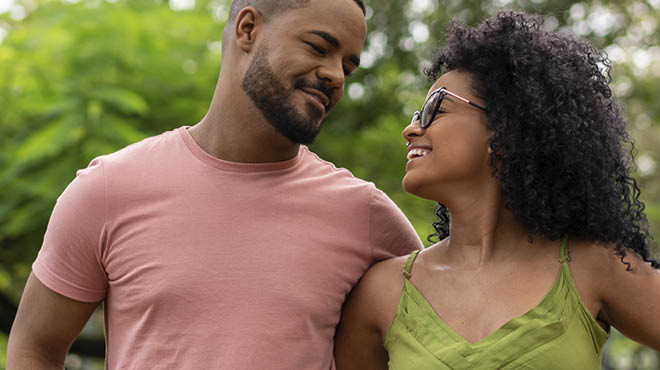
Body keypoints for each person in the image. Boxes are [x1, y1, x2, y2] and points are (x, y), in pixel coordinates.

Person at [7, 1, 423, 369]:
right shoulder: (108, 188)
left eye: (348, 66)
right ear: (247, 28)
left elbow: (450, 329)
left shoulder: (365, 214)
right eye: (318, 47)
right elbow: (35, 350)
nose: (335, 75)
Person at [334, 11, 660, 370]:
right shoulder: (382, 293)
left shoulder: (594, 267)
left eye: (434, 109)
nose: (410, 130)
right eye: (415, 115)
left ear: (505, 132)